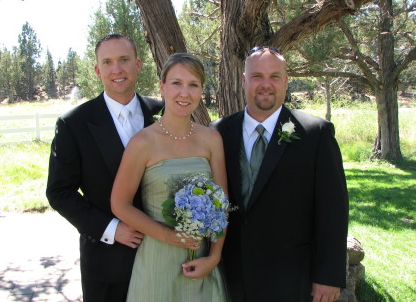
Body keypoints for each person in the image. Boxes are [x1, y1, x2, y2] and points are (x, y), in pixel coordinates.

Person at [210, 46, 349, 302]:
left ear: (286, 82)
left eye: (274, 76)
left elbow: (333, 210)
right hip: (231, 275)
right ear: (243, 81)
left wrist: (328, 276)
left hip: (292, 275)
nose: (266, 84)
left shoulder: (315, 133)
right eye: (257, 76)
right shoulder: (219, 131)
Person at [46, 34, 164, 302]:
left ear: (138, 64)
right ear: (98, 70)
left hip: (164, 256)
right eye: (108, 62)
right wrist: (111, 229)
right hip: (108, 259)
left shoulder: (164, 112)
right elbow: (59, 192)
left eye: (124, 60)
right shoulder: (74, 123)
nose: (117, 69)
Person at [111, 53, 229, 302]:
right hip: (157, 259)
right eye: (176, 83)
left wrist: (214, 256)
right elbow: (119, 204)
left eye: (193, 85)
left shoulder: (211, 139)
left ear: (200, 91)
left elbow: (222, 203)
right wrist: (170, 237)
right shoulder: (142, 142)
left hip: (201, 260)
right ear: (162, 87)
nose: (184, 93)